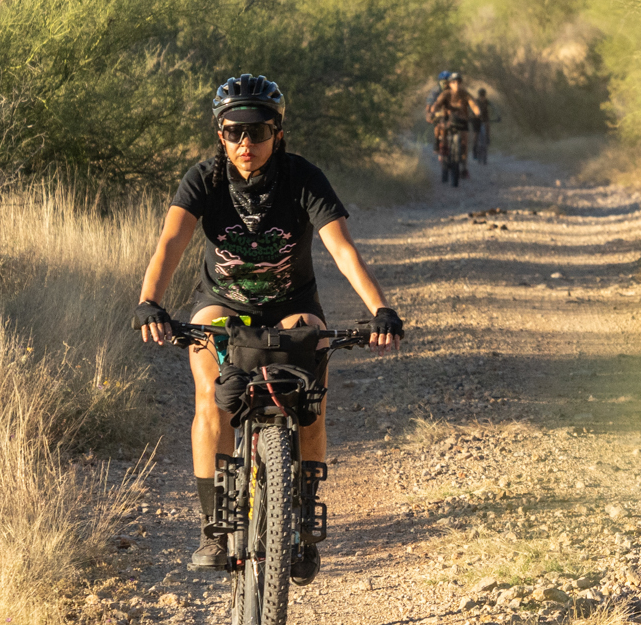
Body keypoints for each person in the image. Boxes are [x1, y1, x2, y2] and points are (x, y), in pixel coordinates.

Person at [133, 75, 403, 582]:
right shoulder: (204, 179)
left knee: (311, 396)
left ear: (277, 133)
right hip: (223, 303)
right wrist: (150, 302)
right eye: (234, 132)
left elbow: (342, 249)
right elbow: (170, 243)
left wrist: (381, 310)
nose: (245, 144)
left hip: (290, 307)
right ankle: (214, 527)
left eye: (258, 132)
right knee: (210, 393)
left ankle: (299, 513)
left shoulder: (302, 178)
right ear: (220, 134)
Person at [427, 71, 481, 176]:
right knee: (443, 132)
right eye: (454, 82)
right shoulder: (445, 93)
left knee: (465, 143)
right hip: (448, 120)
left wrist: (477, 112)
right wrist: (433, 111)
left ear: (461, 83)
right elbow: (437, 104)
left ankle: (464, 168)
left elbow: (472, 103)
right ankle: (444, 154)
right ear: (450, 84)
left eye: (458, 82)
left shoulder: (465, 93)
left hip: (462, 120)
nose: (456, 84)